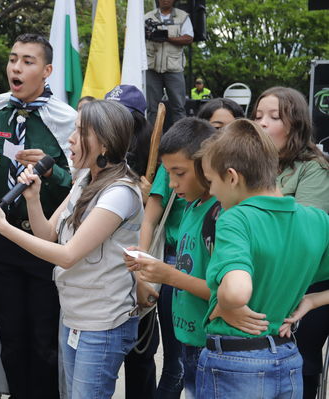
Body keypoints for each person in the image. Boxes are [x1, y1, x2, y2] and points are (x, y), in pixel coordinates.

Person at [0, 100, 142, 399]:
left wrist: (2, 227)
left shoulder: (119, 193)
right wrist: (33, 199)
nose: (70, 140)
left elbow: (67, 255)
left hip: (102, 323)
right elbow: (49, 235)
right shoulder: (85, 180)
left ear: (104, 143)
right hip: (75, 316)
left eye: (80, 132)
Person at [0, 33, 76, 399]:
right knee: (10, 338)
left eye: (28, 61)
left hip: (43, 243)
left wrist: (49, 171)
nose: (16, 68)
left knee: (44, 340)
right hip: (0, 244)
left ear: (48, 70)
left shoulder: (66, 120)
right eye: (13, 59)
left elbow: (77, 186)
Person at [197, 118, 329, 398]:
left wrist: (223, 302)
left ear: (232, 177)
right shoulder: (316, 220)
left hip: (235, 362)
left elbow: (236, 291)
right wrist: (313, 300)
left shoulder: (235, 218)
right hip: (288, 357)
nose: (210, 192)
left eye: (211, 182)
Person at [126, 118, 221, 399]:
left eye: (179, 173)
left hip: (211, 344)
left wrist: (167, 275)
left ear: (206, 164)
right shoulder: (192, 206)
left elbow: (221, 291)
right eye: (168, 174)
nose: (171, 183)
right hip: (188, 337)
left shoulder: (221, 216)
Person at [252, 86, 329, 398]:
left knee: (302, 367)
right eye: (257, 116)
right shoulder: (253, 166)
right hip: (260, 282)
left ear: (295, 125)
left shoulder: (313, 167)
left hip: (306, 287)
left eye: (274, 117)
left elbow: (305, 233)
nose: (262, 123)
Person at [103, 84, 158, 398]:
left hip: (139, 271)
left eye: (122, 119)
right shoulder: (94, 159)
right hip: (100, 282)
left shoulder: (157, 163)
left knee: (141, 358)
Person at [145, 0, 193, 126]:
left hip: (174, 68)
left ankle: (180, 142)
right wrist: (148, 34)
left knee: (179, 107)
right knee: (152, 109)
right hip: (152, 68)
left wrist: (166, 38)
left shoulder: (183, 16)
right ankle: (152, 142)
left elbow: (189, 38)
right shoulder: (147, 16)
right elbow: (137, 35)